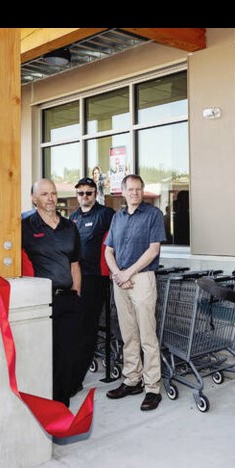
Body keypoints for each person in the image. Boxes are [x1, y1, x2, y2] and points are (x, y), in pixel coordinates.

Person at [103, 174, 166, 412]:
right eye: (131, 189)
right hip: (121, 281)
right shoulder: (117, 218)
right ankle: (132, 380)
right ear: (123, 192)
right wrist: (118, 273)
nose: (135, 193)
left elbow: (153, 250)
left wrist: (127, 273)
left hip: (142, 280)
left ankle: (152, 388)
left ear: (142, 191)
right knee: (128, 334)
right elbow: (108, 250)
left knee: (147, 337)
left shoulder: (153, 215)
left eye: (138, 189)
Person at [21, 178, 83, 407]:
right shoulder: (24, 225)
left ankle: (60, 407)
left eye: (53, 193)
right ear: (33, 198)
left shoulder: (70, 227)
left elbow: (75, 264)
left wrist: (76, 294)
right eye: (45, 194)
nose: (51, 198)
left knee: (66, 357)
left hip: (67, 300)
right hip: (39, 302)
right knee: (43, 357)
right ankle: (42, 405)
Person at [69, 176, 114, 391]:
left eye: (89, 193)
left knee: (87, 327)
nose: (84, 197)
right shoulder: (73, 217)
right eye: (81, 193)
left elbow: (117, 241)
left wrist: (116, 269)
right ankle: (73, 370)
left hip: (96, 278)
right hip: (74, 279)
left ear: (95, 194)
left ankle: (78, 377)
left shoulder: (106, 214)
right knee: (75, 327)